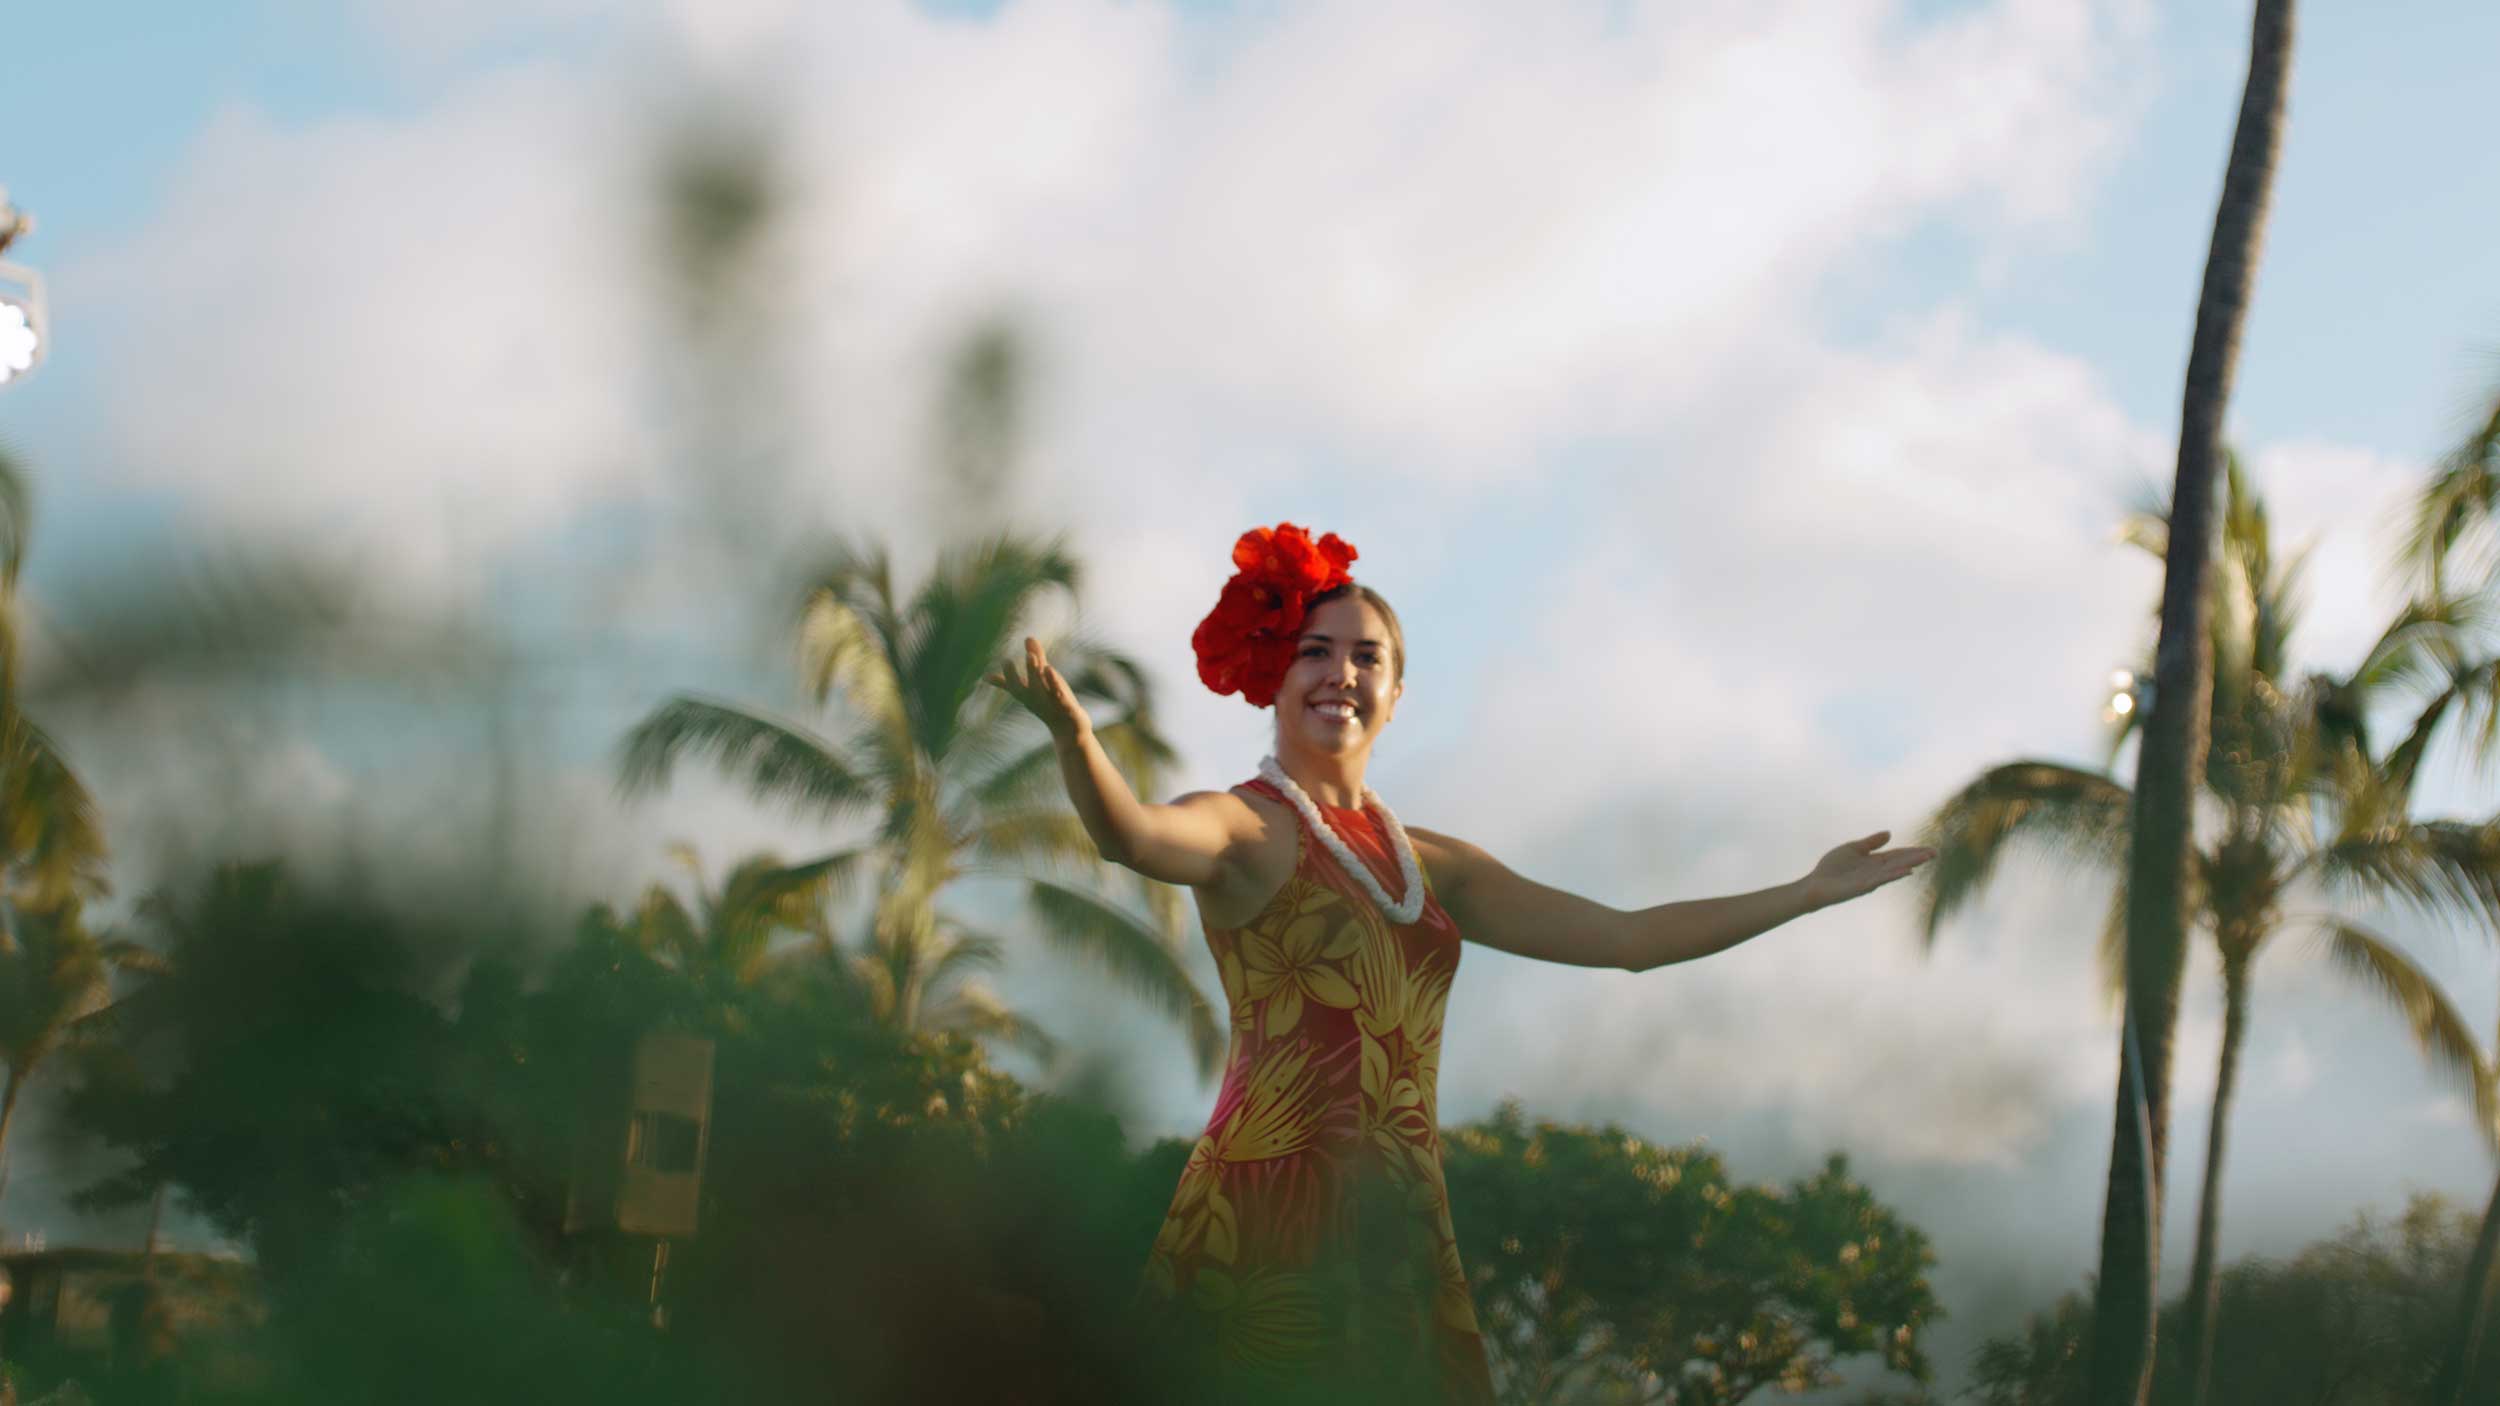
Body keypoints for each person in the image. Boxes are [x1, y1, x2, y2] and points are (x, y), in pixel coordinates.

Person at [987, 522, 1935, 1404]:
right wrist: (1077, 742)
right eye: (1315, 650)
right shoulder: (1245, 824)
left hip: (1398, 1210)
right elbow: (1135, 837)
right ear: (1269, 672)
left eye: (1368, 657)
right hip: (1266, 1198)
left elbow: (1627, 941)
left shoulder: (1431, 864)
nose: (1341, 674)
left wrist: (1803, 893)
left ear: (1398, 694)